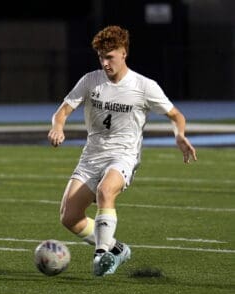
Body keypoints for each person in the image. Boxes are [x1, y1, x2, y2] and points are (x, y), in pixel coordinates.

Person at [48, 25, 197, 277]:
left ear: (124, 52)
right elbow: (62, 111)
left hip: (124, 155)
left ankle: (101, 255)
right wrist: (57, 127)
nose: (105, 63)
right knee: (69, 217)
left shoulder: (144, 86)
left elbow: (175, 114)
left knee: (107, 191)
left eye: (110, 57)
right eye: (101, 57)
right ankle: (117, 248)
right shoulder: (90, 80)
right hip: (92, 155)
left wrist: (179, 135)